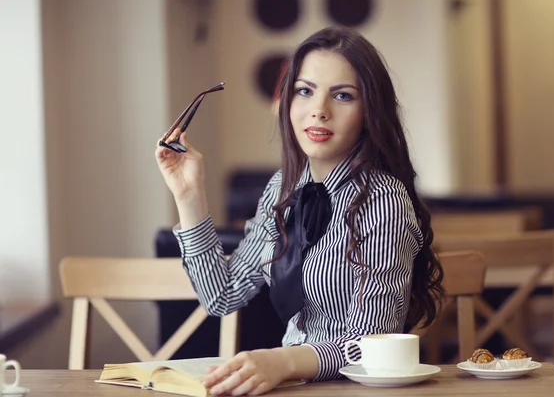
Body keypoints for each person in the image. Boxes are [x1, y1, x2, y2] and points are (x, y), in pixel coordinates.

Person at [156, 26, 444, 396]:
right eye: (304, 91)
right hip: (290, 387)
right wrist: (189, 194)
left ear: (369, 110)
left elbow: (372, 343)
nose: (318, 111)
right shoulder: (282, 187)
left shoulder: (383, 200)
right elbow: (222, 294)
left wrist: (285, 360)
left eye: (342, 96)